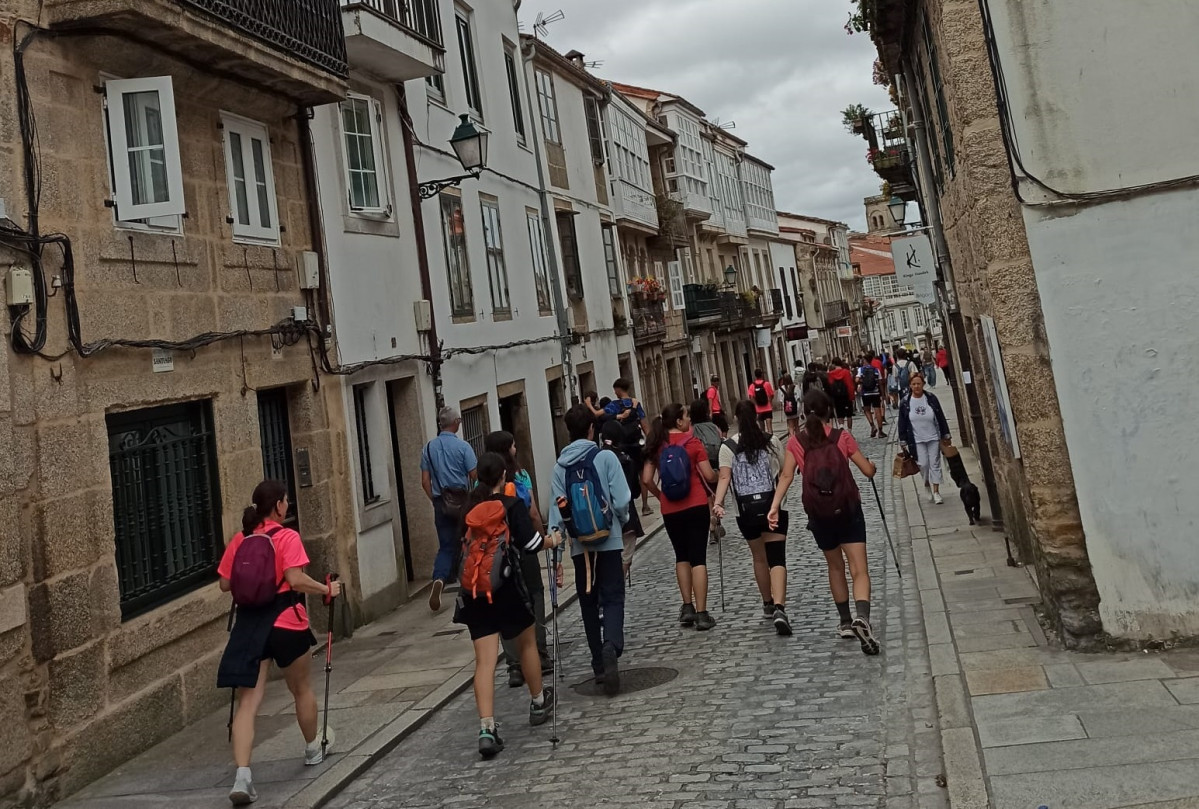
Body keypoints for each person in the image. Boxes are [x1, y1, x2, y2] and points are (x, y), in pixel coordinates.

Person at [217, 480, 343, 806]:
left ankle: (243, 775)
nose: (288, 505)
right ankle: (313, 747)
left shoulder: (241, 539)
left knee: (248, 703)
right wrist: (327, 590)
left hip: (249, 627)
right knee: (301, 689)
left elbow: (224, 584)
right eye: (286, 501)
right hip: (287, 621)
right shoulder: (287, 536)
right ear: (279, 506)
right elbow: (295, 579)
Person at [456, 452, 563, 758]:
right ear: (503, 477)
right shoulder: (511, 505)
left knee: (485, 661)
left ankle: (487, 729)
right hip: (506, 588)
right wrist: (552, 540)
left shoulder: (469, 508)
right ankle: (538, 700)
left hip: (477, 591)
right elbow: (530, 545)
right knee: (526, 644)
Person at [767, 391, 881, 655]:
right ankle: (862, 617)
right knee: (859, 569)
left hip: (820, 515)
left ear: (804, 413)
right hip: (849, 510)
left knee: (835, 567)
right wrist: (873, 466)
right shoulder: (842, 437)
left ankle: (844, 621)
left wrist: (774, 507)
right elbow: (867, 470)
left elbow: (786, 476)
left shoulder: (796, 443)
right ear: (829, 411)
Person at [550, 404, 632, 694]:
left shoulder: (560, 467)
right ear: (591, 429)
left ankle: (598, 664)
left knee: (588, 603)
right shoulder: (605, 457)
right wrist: (619, 523)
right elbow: (622, 500)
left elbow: (556, 516)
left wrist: (557, 557)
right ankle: (611, 644)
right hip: (608, 541)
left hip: (579, 547)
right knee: (612, 597)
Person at [712, 400, 791, 635]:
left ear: (736, 418)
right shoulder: (772, 441)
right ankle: (780, 606)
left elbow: (724, 478)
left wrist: (718, 504)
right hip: (773, 506)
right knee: (777, 558)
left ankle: (767, 602)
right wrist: (777, 499)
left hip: (745, 512)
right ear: (757, 416)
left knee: (759, 558)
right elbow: (787, 471)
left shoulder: (727, 448)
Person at [483, 431, 553, 688]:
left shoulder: (480, 487)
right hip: (523, 548)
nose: (516, 449)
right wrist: (543, 539)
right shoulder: (520, 476)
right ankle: (540, 653)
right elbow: (533, 512)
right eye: (513, 445)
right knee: (534, 594)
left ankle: (514, 665)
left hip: (496, 555)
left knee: (504, 604)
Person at [642, 403, 719, 631]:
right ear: (678, 421)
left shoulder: (656, 445)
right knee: (699, 558)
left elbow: (647, 478)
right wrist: (720, 474)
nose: (689, 421)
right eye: (686, 417)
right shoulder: (694, 444)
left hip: (671, 509)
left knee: (681, 556)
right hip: (695, 505)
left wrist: (661, 496)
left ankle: (687, 607)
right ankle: (703, 613)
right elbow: (708, 475)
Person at [421, 407, 478, 612]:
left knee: (446, 546)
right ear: (455, 423)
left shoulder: (428, 448)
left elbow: (425, 481)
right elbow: (475, 475)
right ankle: (468, 585)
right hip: (462, 502)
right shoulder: (463, 447)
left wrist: (436, 499)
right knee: (467, 542)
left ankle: (439, 578)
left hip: (441, 502)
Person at [599, 419, 645, 579]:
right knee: (625, 557)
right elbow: (635, 491)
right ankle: (618, 587)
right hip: (626, 516)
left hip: (603, 517)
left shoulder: (596, 459)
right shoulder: (626, 461)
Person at [600, 378, 652, 517]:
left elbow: (601, 415)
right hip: (637, 443)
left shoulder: (614, 405)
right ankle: (645, 505)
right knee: (641, 473)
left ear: (618, 389)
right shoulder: (636, 404)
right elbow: (645, 424)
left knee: (625, 473)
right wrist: (651, 442)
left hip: (622, 444)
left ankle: (630, 505)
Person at [898, 372, 952, 505]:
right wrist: (903, 439)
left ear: (923, 384)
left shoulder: (931, 398)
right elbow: (902, 422)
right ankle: (926, 484)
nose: (916, 386)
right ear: (910, 385)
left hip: (933, 436)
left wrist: (946, 434)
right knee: (923, 464)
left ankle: (936, 491)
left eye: (919, 384)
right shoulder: (905, 402)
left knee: (935, 464)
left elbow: (940, 417)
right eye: (914, 384)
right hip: (916, 439)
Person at [690, 399, 726, 547]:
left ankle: (711, 520)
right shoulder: (714, 427)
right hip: (716, 460)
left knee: (707, 493)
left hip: (701, 463)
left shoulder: (691, 430)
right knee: (718, 490)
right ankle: (716, 519)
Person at [858, 353, 886, 438]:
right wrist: (883, 394)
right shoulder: (876, 370)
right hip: (875, 392)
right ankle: (880, 431)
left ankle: (872, 425)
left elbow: (857, 379)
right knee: (877, 410)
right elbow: (880, 382)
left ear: (865, 360)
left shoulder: (861, 370)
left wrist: (860, 382)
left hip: (865, 393)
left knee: (867, 410)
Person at [827, 359, 855, 432]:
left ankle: (841, 427)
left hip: (836, 397)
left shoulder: (830, 374)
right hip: (846, 396)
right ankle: (849, 431)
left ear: (833, 364)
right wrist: (852, 396)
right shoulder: (846, 372)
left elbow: (830, 386)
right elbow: (850, 385)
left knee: (840, 414)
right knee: (849, 414)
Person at [747, 369, 776, 434]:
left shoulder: (752, 386)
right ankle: (771, 439)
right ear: (762, 374)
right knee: (770, 428)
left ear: (755, 376)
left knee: (762, 429)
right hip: (768, 408)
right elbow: (771, 395)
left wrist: (755, 405)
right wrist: (770, 402)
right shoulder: (767, 384)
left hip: (759, 410)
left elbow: (751, 397)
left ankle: (763, 441)